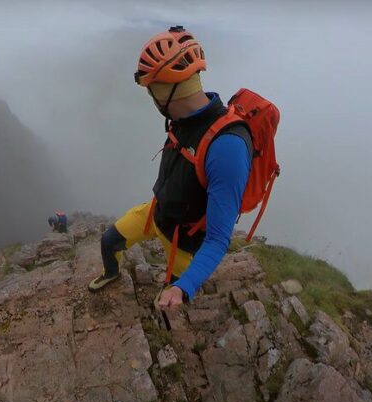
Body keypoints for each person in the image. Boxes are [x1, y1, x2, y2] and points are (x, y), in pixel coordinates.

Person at [88, 26, 252, 311]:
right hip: (156, 212)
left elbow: (217, 238)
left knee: (169, 292)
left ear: (168, 91)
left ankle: (170, 285)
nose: (151, 98)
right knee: (109, 241)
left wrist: (183, 287)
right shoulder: (184, 117)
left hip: (185, 242)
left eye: (153, 90)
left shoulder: (227, 148)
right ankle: (111, 274)